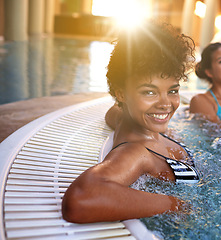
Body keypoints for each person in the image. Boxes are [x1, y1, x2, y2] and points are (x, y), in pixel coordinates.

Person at [62, 21, 198, 223]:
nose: (165, 104)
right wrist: (174, 204)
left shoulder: (124, 118)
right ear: (121, 93)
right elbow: (79, 200)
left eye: (172, 91)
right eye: (149, 92)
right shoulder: (136, 153)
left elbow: (114, 111)